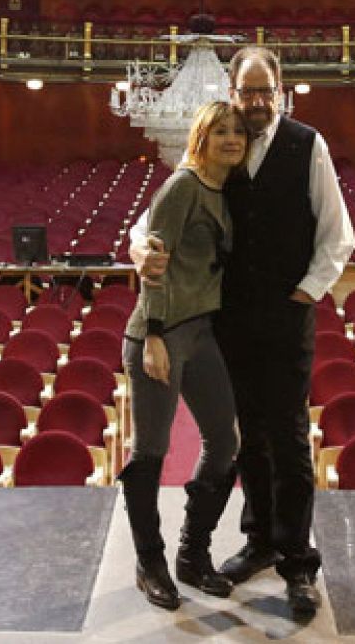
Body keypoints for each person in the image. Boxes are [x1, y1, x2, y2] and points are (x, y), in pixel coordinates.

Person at [131, 47, 355, 618]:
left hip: (285, 318)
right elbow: (161, 208)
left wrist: (307, 292)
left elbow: (338, 235)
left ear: (280, 89)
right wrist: (139, 249)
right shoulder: (222, 145)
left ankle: (297, 563)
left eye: (264, 91)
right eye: (245, 92)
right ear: (232, 92)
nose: (255, 102)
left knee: (287, 438)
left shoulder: (309, 145)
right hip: (227, 319)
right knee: (245, 435)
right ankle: (257, 540)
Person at [119, 101, 249, 611]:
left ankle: (192, 553)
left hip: (201, 332)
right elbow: (154, 260)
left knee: (224, 440)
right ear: (202, 136)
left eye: (238, 130)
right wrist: (152, 334)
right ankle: (149, 561)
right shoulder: (183, 185)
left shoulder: (228, 190)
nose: (232, 138)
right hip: (160, 332)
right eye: (220, 130)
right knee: (150, 450)